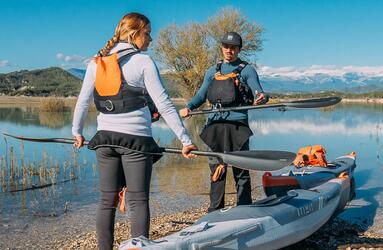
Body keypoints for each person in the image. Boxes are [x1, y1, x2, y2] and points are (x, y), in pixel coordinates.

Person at [71, 12, 197, 250]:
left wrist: (77, 132)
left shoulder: (95, 63)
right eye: (147, 33)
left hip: (104, 142)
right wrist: (185, 140)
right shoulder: (144, 62)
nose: (151, 39)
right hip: (136, 142)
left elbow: (82, 101)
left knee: (106, 201)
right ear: (133, 34)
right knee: (138, 200)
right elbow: (164, 104)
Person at [179, 31, 268, 212]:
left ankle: (244, 209)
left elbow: (259, 92)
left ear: (239, 49)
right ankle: (215, 211)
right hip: (215, 127)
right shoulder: (212, 71)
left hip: (238, 127)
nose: (229, 51)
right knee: (217, 171)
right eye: (226, 47)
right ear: (222, 48)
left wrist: (262, 98)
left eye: (233, 47)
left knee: (241, 172)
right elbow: (201, 95)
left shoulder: (248, 70)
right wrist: (189, 107)